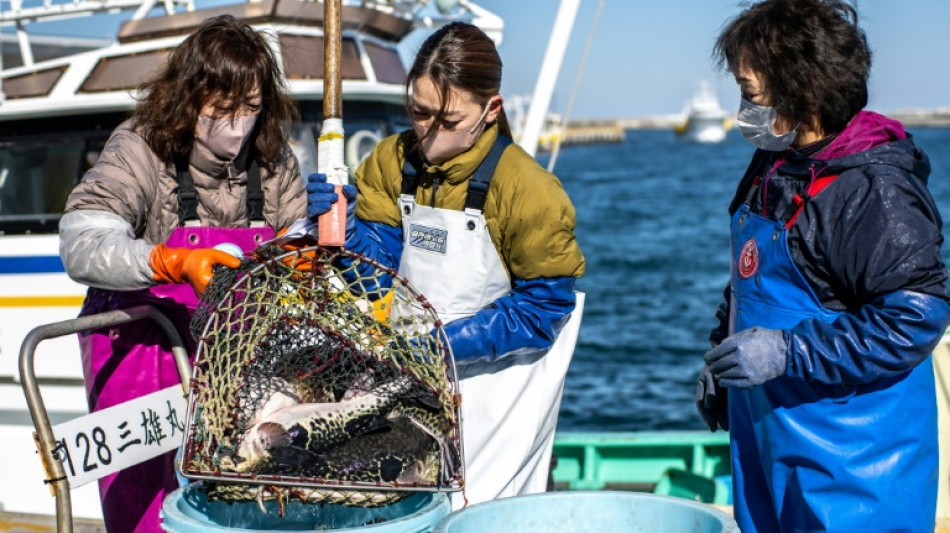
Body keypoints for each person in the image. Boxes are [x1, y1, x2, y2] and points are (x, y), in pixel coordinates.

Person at [306, 21, 585, 508]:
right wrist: (345, 234)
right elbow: (375, 280)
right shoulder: (392, 161)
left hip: (495, 401)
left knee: (477, 513)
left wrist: (441, 345)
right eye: (419, 113)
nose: (429, 133)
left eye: (449, 120)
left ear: (491, 109)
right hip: (403, 380)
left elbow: (543, 310)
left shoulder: (529, 190)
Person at [695, 1, 950, 531]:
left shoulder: (873, 191)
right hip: (771, 434)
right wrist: (722, 355)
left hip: (853, 462)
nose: (742, 107)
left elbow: (915, 318)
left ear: (800, 90)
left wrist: (790, 351)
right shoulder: (776, 163)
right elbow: (750, 272)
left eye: (750, 92)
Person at [59, 15, 304, 533]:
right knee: (147, 512)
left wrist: (306, 250)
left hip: (239, 360)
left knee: (242, 499)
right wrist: (164, 261)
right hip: (143, 353)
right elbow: (81, 242)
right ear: (189, 98)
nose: (239, 124)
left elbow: (297, 236)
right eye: (222, 109)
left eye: (252, 109)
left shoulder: (276, 158)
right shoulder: (138, 148)